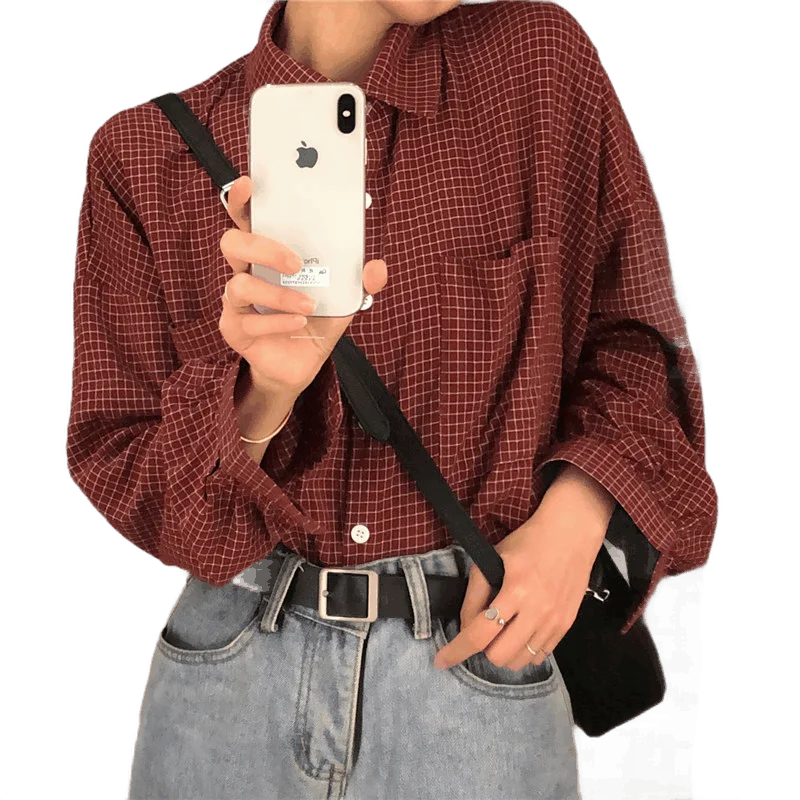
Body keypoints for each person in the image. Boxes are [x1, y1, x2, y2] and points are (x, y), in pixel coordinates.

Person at [65, 1, 719, 798]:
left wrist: (574, 519)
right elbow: (129, 471)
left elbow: (637, 343)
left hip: (475, 669)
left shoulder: (537, 61)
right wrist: (264, 393)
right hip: (229, 689)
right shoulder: (142, 154)